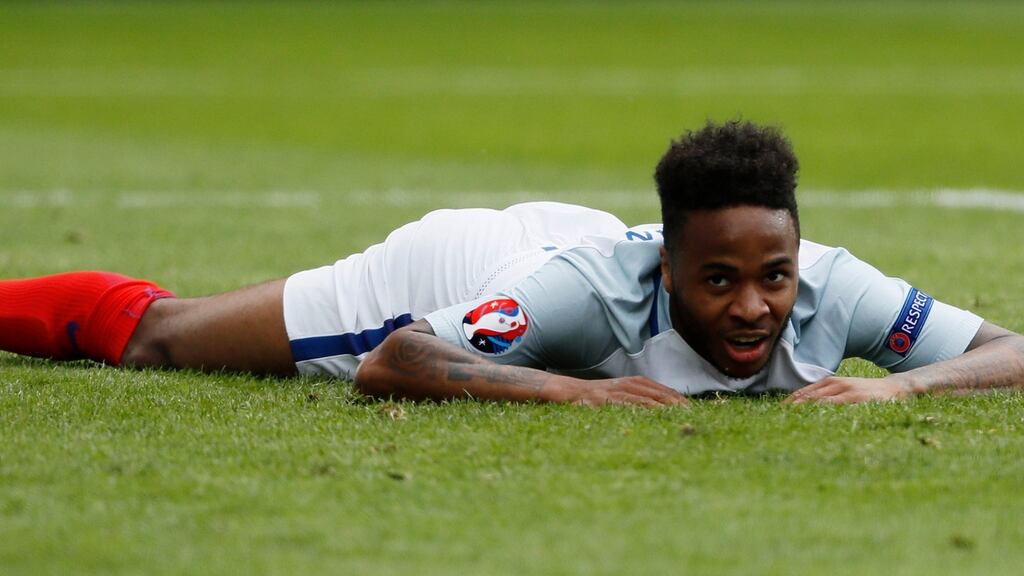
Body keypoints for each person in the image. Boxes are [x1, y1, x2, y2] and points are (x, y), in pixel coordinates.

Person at [2, 121, 1022, 406]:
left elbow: (1009, 349)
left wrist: (900, 387)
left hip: (567, 243)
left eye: (775, 276)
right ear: (670, 271)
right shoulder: (585, 299)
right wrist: (578, 393)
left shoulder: (838, 289)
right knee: (166, 340)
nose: (757, 307)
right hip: (475, 266)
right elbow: (396, 360)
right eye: (720, 281)